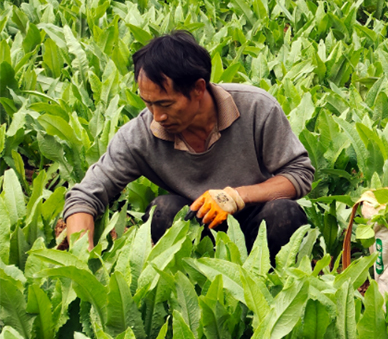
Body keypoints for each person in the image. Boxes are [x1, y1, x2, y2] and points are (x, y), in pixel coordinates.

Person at [62, 30, 314, 259]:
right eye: (149, 104)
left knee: (285, 214)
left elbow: (299, 174)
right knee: (163, 210)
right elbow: (86, 194)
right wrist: (82, 255)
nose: (157, 116)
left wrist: (236, 196)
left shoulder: (257, 108)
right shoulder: (140, 134)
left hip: (255, 223)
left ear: (198, 88)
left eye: (166, 104)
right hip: (193, 227)